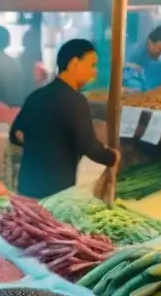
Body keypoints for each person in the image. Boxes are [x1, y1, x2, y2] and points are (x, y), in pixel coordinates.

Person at [10, 39, 119, 199]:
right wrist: (112, 157)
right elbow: (88, 145)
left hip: (27, 186)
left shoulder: (36, 96)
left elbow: (15, 134)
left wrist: (39, 142)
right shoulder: (75, 100)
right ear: (74, 63)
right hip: (55, 190)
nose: (94, 72)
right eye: (91, 65)